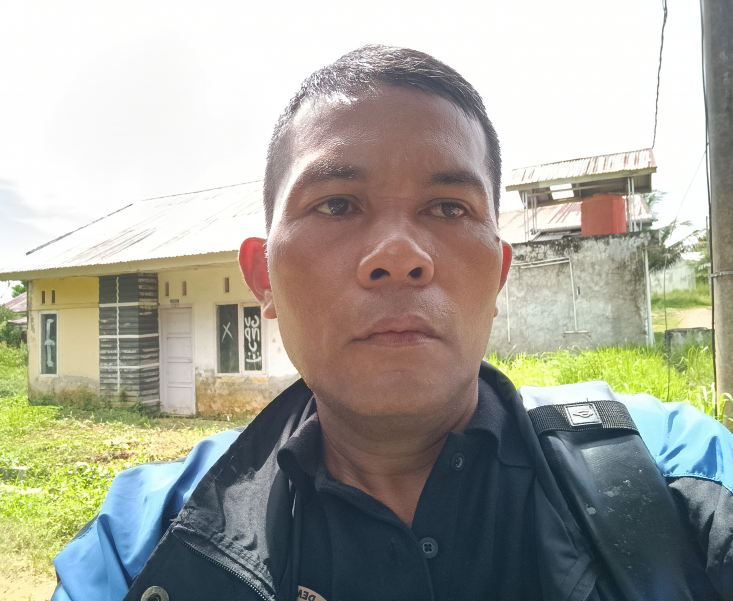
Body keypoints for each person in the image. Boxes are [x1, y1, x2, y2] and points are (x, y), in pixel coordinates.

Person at [52, 46, 733, 601]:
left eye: (448, 208)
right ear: (263, 277)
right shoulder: (149, 537)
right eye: (337, 204)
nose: (399, 256)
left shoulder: (669, 467)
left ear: (498, 273)